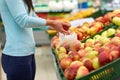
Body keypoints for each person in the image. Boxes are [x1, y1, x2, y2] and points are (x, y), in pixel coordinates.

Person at [0, 0, 70, 80]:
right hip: (17, 57)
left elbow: (33, 17)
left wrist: (55, 26)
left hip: (27, 54)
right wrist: (53, 23)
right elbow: (23, 20)